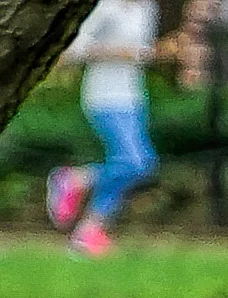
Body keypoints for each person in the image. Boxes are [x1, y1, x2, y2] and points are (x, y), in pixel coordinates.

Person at [48, 0, 161, 256]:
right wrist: (117, 52)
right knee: (134, 163)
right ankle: (75, 181)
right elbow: (72, 50)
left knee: (141, 165)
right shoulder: (105, 7)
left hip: (133, 98)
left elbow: (142, 51)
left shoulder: (148, 9)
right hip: (104, 98)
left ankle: (87, 231)